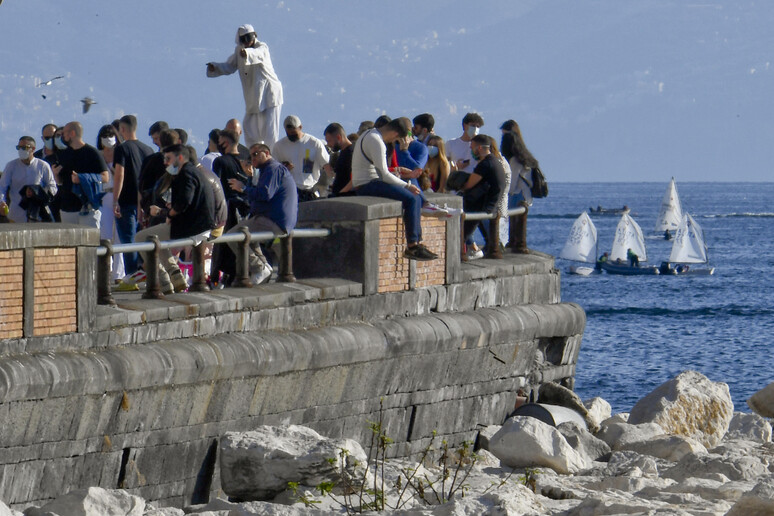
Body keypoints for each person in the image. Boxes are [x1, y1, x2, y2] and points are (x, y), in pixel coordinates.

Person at [352, 119, 437, 261]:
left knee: (414, 197)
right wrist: (406, 185)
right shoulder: (376, 141)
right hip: (367, 184)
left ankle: (417, 243)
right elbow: (384, 174)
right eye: (396, 138)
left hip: (367, 181)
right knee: (411, 197)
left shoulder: (369, 134)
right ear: (395, 133)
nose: (393, 141)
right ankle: (413, 245)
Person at [135, 144, 215, 294]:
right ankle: (174, 273)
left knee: (141, 237)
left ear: (179, 158)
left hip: (192, 226)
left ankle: (164, 279)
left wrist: (166, 214)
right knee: (158, 238)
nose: (165, 162)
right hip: (200, 224)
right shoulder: (195, 172)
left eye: (168, 158)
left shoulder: (185, 174)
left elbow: (185, 201)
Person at [225, 143, 298, 285]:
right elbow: (257, 195)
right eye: (250, 156)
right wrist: (249, 177)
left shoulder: (272, 168)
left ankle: (260, 268)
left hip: (273, 220)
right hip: (276, 220)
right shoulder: (267, 170)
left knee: (232, 236)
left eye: (256, 154)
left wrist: (243, 187)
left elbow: (265, 194)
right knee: (250, 239)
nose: (253, 158)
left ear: (267, 153)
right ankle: (263, 267)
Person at [207, 24, 284, 147]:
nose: (247, 42)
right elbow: (230, 66)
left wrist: (247, 54)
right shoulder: (239, 51)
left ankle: (272, 160)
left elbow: (258, 54)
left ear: (255, 36)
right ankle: (254, 157)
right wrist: (214, 67)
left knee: (270, 132)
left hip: (269, 94)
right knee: (249, 128)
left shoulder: (262, 47)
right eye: (244, 39)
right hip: (254, 98)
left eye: (249, 38)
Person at [113, 115, 154, 275]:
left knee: (128, 241)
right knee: (142, 239)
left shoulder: (122, 149)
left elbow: (119, 175)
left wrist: (115, 200)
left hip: (126, 201)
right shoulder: (148, 150)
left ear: (122, 129)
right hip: (144, 203)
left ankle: (131, 275)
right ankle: (143, 272)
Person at [52, 121, 109, 228]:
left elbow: (105, 177)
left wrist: (82, 178)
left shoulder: (92, 153)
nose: (62, 136)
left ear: (72, 133)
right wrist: (56, 174)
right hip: (67, 207)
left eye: (64, 133)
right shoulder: (63, 154)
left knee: (89, 242)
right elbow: (60, 181)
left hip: (87, 207)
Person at [458, 135, 506, 259]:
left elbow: (469, 184)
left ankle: (459, 251)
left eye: (472, 147)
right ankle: (490, 247)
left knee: (462, 229)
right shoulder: (495, 161)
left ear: (479, 148)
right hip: (493, 203)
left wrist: (456, 176)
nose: (471, 150)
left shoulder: (485, 164)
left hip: (484, 205)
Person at [501, 120, 539, 254]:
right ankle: (517, 242)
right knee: (518, 217)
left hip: (518, 192)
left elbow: (513, 179)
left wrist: (505, 193)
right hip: (526, 193)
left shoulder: (514, 160)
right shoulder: (526, 157)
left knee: (514, 217)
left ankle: (516, 242)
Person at [271, 115, 330, 202]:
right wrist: (284, 168)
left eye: (294, 133)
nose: (291, 135)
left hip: (310, 190)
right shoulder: (279, 146)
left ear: (300, 127)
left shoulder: (314, 143)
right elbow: (274, 170)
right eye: (289, 133)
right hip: (289, 190)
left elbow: (326, 165)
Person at [0, 136, 57, 223]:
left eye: (24, 147)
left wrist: (37, 191)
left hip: (37, 215)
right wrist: (2, 202)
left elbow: (53, 187)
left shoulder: (43, 166)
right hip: (16, 215)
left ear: (33, 149)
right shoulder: (11, 166)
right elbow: (2, 187)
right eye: (19, 148)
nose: (21, 150)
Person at [96, 124, 125, 281]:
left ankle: (118, 273)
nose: (107, 139)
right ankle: (105, 271)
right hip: (103, 196)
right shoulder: (97, 155)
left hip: (118, 196)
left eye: (110, 135)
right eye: (104, 136)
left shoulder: (120, 154)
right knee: (105, 234)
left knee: (119, 236)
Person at [322, 123, 355, 197]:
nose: (328, 144)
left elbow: (355, 179)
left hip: (345, 198)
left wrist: (340, 194)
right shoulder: (343, 152)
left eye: (329, 141)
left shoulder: (351, 153)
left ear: (339, 137)